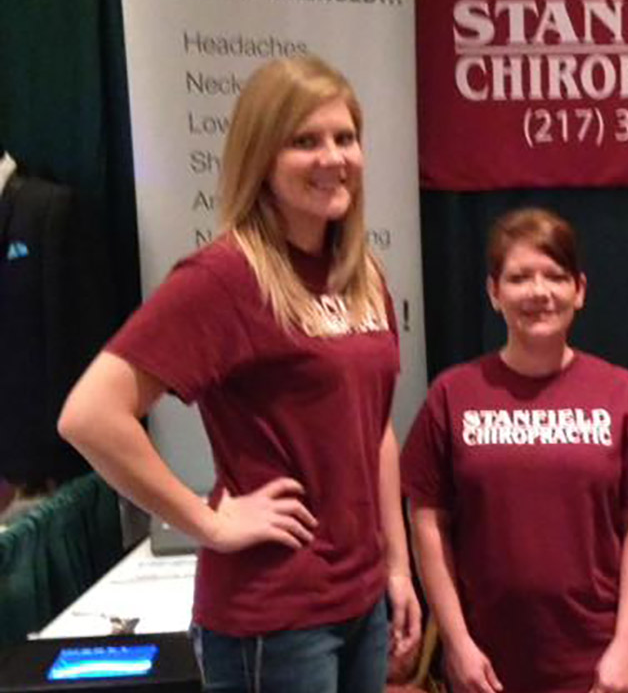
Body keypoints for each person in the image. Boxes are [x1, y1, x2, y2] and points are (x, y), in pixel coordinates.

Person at [58, 55, 421, 693]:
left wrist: (396, 564)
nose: (333, 157)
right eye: (304, 141)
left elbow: (376, 429)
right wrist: (209, 523)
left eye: (345, 138)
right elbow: (90, 415)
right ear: (261, 157)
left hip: (361, 602)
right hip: (273, 620)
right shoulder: (226, 278)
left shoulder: (361, 275)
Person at [401, 207, 628, 693]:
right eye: (519, 277)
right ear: (493, 292)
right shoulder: (453, 394)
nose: (538, 292)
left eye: (555, 276)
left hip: (595, 665)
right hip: (486, 664)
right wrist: (458, 642)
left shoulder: (623, 394)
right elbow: (427, 520)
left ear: (580, 290)